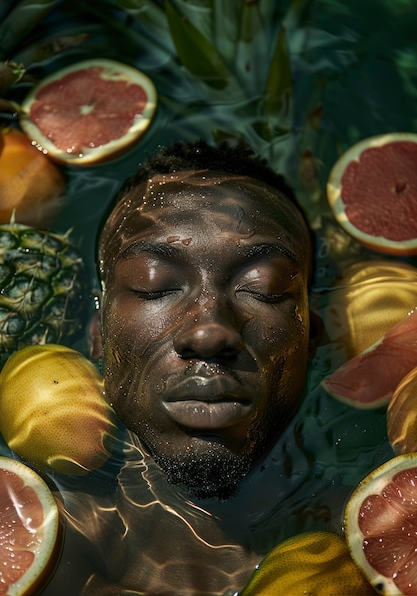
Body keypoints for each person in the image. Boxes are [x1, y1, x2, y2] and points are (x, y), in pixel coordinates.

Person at [44, 139, 323, 595]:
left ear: (312, 336)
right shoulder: (27, 546)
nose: (210, 331)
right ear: (99, 334)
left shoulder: (385, 535)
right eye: (153, 284)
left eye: (264, 286)